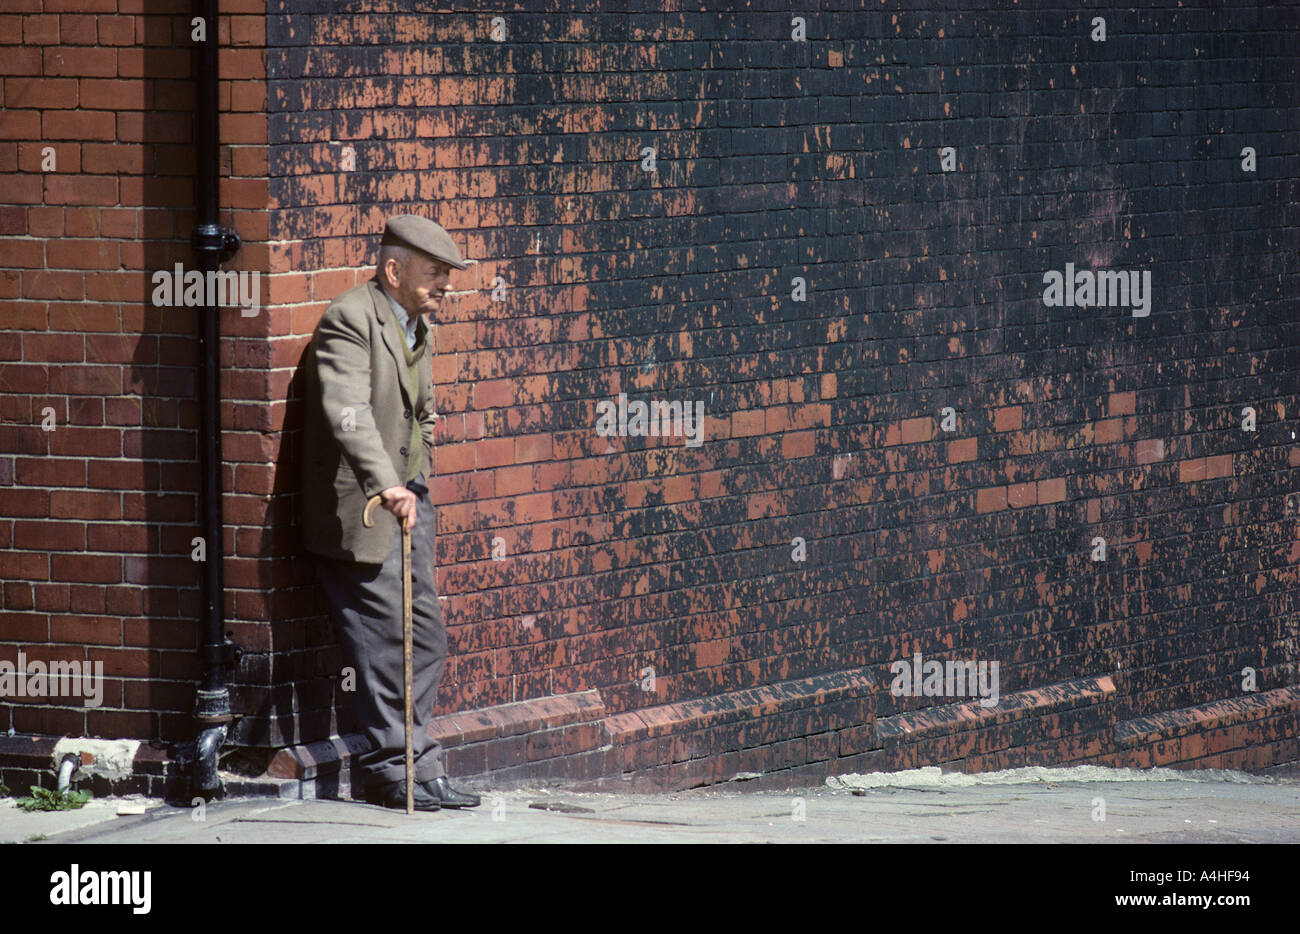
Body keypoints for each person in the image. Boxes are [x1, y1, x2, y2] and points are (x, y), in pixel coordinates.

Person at [299, 214, 480, 811]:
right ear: (393, 269)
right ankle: (390, 770)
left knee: (423, 636)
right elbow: (346, 412)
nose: (445, 286)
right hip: (363, 513)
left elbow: (421, 412)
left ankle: (415, 761)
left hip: (408, 502)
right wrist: (386, 486)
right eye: (435, 273)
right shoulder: (351, 318)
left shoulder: (414, 322)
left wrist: (417, 477)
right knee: (384, 643)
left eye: (448, 276)